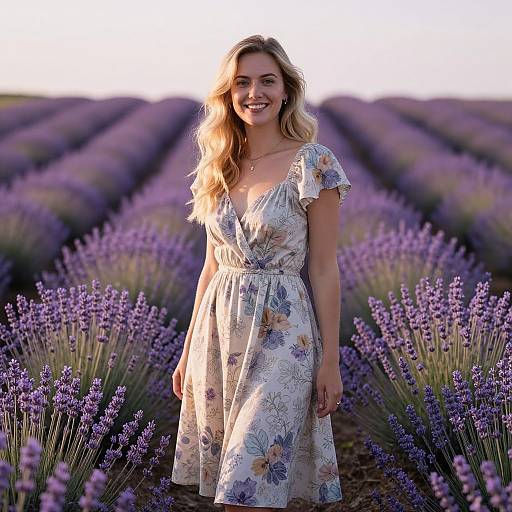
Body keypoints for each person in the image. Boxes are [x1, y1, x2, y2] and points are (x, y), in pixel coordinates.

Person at [170, 34, 351, 511]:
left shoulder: (314, 163)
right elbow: (210, 267)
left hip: (284, 336)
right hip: (219, 332)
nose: (256, 92)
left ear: (287, 89)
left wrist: (330, 361)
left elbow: (325, 269)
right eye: (243, 83)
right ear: (229, 95)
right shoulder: (218, 167)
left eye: (267, 81)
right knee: (236, 493)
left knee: (247, 488)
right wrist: (188, 350)